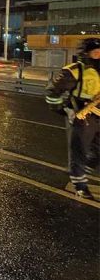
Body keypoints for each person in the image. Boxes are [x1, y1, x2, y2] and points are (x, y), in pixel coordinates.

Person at [45, 37, 100, 200]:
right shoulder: (75, 70)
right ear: (86, 53)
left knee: (96, 151)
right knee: (79, 150)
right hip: (83, 116)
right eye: (95, 52)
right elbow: (52, 93)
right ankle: (80, 185)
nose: (98, 54)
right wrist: (65, 110)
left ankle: (82, 168)